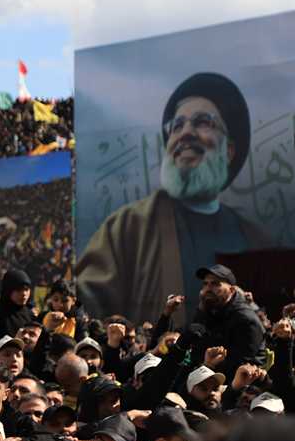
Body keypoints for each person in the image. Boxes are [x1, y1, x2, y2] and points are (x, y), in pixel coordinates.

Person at [77, 72, 272, 325]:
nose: (185, 133)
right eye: (177, 126)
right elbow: (86, 304)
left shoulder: (253, 237)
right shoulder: (128, 227)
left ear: (230, 150)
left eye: (202, 122)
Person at [192, 264, 266, 379]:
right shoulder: (210, 310)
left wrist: (207, 367)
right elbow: (196, 348)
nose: (208, 288)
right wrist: (201, 311)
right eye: (205, 284)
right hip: (211, 374)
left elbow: (239, 364)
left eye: (215, 284)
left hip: (241, 384)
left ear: (231, 290)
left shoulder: (245, 319)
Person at [0, 269, 36, 342]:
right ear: (8, 291)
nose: (24, 294)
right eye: (18, 290)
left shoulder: (31, 315)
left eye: (26, 289)